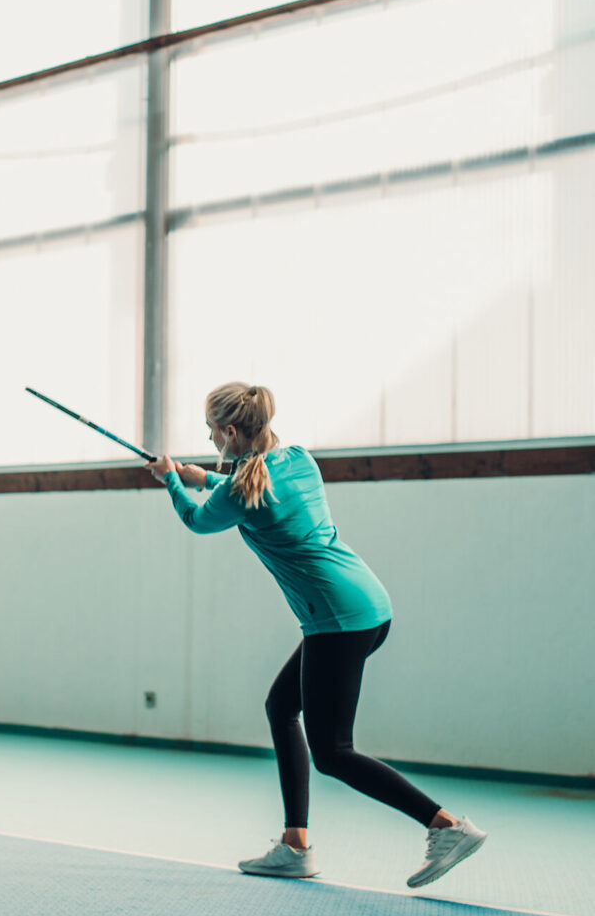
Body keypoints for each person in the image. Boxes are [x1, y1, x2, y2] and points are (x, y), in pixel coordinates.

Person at [147, 381, 487, 889]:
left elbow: (199, 520)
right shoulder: (299, 459)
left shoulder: (240, 490)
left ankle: (447, 827)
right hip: (367, 605)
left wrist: (172, 479)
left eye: (212, 432)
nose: (211, 439)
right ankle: (294, 845)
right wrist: (207, 474)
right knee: (281, 707)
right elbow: (252, 485)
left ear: (232, 431)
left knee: (333, 752)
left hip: (337, 620)